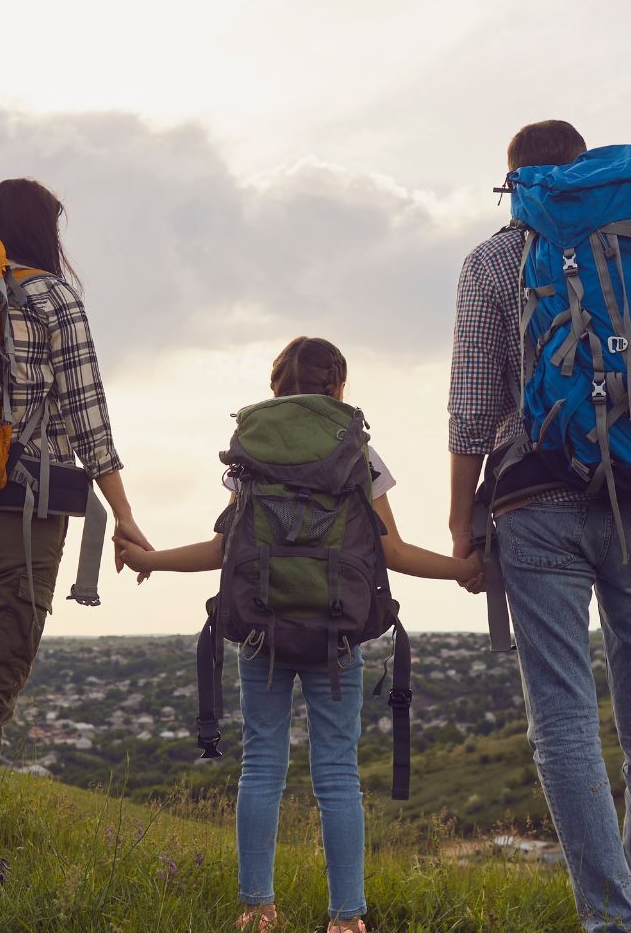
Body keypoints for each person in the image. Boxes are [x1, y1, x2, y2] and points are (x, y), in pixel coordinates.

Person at [447, 121, 631, 933]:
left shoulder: (495, 259)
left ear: (514, 185)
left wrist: (462, 520)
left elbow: (473, 407)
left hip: (535, 504)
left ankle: (612, 923)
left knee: (565, 721)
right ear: (588, 170)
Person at [118, 336, 477, 933]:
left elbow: (224, 550)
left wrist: (152, 561)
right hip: (336, 637)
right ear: (339, 388)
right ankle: (346, 920)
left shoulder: (256, 453)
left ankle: (257, 909)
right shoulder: (360, 455)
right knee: (336, 773)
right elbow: (392, 551)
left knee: (262, 767)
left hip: (263, 630)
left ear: (276, 389)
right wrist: (463, 569)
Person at [0, 177, 152, 896]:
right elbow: (89, 419)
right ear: (45, 232)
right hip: (18, 519)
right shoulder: (51, 298)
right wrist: (125, 516)